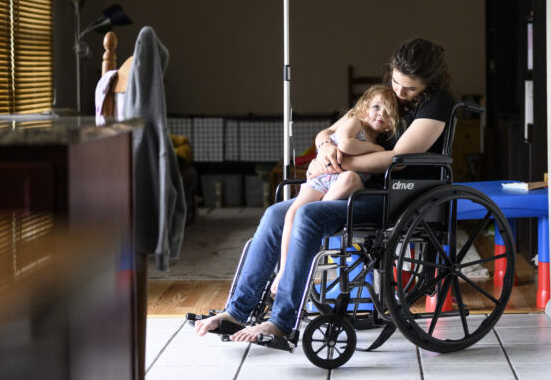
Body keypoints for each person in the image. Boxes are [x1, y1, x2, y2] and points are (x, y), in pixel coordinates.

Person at [194, 38, 455, 343]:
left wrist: (344, 159)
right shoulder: (384, 97)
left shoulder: (438, 104)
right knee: (275, 214)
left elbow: (399, 158)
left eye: (409, 88)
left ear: (430, 82)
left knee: (307, 217)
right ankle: (237, 312)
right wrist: (324, 151)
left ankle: (281, 322)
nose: (399, 93)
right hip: (349, 185)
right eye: (396, 82)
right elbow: (329, 132)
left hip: (393, 196)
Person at [269, 84, 400, 295]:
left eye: (387, 112)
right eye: (376, 107)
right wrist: (376, 149)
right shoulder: (355, 122)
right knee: (293, 213)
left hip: (343, 183)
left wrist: (379, 148)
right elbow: (346, 145)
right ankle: (284, 268)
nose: (380, 114)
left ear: (390, 124)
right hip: (324, 177)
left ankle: (316, 218)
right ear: (365, 107)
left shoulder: (380, 140)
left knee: (352, 179)